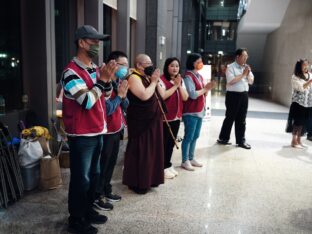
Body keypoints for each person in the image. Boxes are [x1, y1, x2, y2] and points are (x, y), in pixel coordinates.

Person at [61, 25, 117, 234]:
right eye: (93, 41)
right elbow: (86, 101)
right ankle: (76, 219)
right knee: (81, 178)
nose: (97, 45)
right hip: (82, 135)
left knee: (94, 175)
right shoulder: (70, 72)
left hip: (97, 130)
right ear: (81, 43)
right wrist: (102, 80)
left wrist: (107, 80)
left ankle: (87, 210)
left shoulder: (94, 68)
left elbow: (107, 95)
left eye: (98, 42)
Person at [122, 54, 164, 194]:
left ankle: (151, 179)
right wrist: (153, 82)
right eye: (147, 63)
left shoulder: (146, 76)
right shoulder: (134, 77)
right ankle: (138, 182)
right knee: (142, 150)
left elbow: (159, 95)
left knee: (152, 150)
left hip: (152, 120)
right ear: (139, 65)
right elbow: (144, 95)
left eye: (151, 62)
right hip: (141, 121)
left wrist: (154, 81)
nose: (150, 65)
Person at [94, 51, 129, 210]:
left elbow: (125, 105)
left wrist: (123, 95)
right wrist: (119, 97)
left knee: (111, 164)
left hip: (117, 129)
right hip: (106, 132)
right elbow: (107, 109)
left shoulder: (118, 81)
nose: (125, 68)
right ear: (112, 64)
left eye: (126, 65)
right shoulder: (103, 81)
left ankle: (107, 190)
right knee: (102, 165)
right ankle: (97, 196)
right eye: (122, 64)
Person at [182, 53, 214, 171]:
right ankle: (185, 160)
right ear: (192, 63)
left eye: (201, 61)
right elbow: (193, 94)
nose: (201, 63)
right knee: (189, 136)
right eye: (198, 61)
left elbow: (202, 93)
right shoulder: (188, 76)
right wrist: (205, 89)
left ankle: (191, 158)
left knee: (195, 136)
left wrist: (207, 88)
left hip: (200, 110)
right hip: (190, 111)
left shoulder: (199, 76)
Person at [217, 48, 254, 149]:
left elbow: (251, 81)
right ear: (237, 57)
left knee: (242, 119)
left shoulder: (246, 67)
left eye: (247, 56)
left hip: (244, 95)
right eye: (244, 56)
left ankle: (241, 141)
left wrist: (248, 74)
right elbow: (231, 80)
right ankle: (223, 138)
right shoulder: (230, 67)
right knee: (230, 117)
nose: (246, 58)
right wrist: (243, 75)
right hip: (233, 95)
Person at [158, 57, 189, 179]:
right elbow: (163, 95)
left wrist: (179, 85)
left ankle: (167, 164)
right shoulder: (161, 80)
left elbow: (185, 97)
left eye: (177, 66)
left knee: (171, 143)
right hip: (165, 118)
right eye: (172, 66)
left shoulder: (180, 80)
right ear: (167, 67)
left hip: (176, 117)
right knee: (163, 143)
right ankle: (162, 167)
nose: (175, 68)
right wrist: (175, 86)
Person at [286, 59, 312, 148]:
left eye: (307, 65)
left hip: (308, 103)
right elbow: (301, 88)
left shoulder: (310, 75)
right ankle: (293, 141)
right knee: (297, 122)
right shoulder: (295, 76)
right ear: (299, 66)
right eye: (304, 65)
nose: (306, 67)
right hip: (298, 103)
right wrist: (310, 82)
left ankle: (299, 140)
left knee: (303, 122)